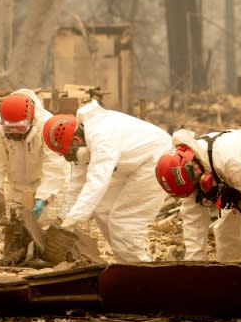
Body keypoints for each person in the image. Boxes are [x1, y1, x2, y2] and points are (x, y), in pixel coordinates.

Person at [42, 100, 171, 262]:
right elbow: (76, 186)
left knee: (124, 221)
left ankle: (141, 270)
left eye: (68, 153)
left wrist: (74, 218)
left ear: (76, 141)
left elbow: (97, 181)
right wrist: (62, 218)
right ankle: (125, 262)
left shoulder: (102, 137)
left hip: (157, 160)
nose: (70, 158)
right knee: (102, 208)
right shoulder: (84, 140)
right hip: (133, 164)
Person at [155, 128, 241, 261]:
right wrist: (194, 263)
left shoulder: (229, 160)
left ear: (193, 164)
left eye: (196, 182)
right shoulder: (188, 178)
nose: (197, 186)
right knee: (226, 235)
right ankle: (230, 279)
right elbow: (193, 220)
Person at [0, 89, 70, 221]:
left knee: (47, 229)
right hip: (17, 186)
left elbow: (54, 168)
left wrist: (43, 198)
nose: (16, 135)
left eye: (20, 130)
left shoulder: (48, 126)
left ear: (31, 120)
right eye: (10, 131)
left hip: (49, 184)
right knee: (17, 229)